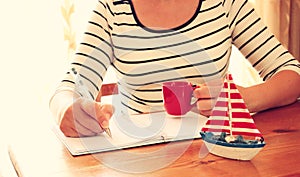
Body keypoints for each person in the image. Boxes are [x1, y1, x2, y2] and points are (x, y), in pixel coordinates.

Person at [50, 0, 300, 137]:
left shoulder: (227, 4)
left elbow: (292, 73)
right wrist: (66, 110)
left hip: (217, 159)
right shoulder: (113, 10)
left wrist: (244, 99)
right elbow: (68, 88)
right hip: (139, 163)